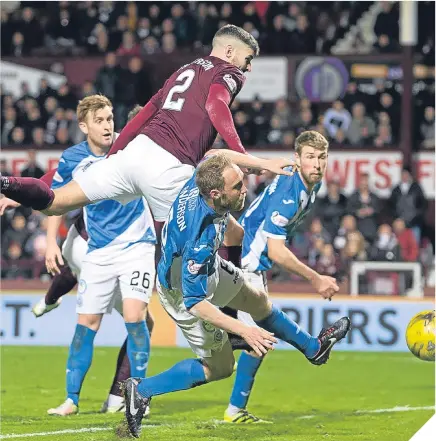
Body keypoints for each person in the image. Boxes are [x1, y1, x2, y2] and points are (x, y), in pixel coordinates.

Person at [122, 154, 351, 438]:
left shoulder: (202, 179)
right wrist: (243, 329)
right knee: (221, 368)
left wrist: (264, 165)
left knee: (257, 299)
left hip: (209, 270)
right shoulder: (199, 239)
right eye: (238, 186)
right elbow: (196, 303)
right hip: (184, 295)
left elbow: (215, 156)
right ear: (217, 194)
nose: (245, 189)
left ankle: (313, 349)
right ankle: (141, 390)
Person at [1, 25, 292, 224]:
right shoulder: (229, 72)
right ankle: (202, 311)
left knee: (55, 204)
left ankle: (5, 182)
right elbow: (215, 105)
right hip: (168, 167)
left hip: (134, 154)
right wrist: (246, 158)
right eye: (248, 59)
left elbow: (145, 114)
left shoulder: (184, 69)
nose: (249, 67)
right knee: (207, 241)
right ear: (229, 52)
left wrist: (115, 154)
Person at [221, 131, 347, 423]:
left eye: (321, 157)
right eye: (310, 157)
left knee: (257, 342)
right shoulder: (291, 192)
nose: (316, 164)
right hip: (246, 263)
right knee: (234, 350)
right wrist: (316, 279)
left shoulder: (308, 187)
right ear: (297, 159)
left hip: (249, 262)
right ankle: (313, 347)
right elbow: (276, 251)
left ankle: (234, 410)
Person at [44, 95, 156, 416]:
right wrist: (52, 241)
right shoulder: (71, 159)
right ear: (84, 126)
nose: (108, 126)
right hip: (99, 251)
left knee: (136, 319)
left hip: (137, 245)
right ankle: (71, 400)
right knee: (86, 325)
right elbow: (57, 200)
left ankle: (139, 396)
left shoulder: (129, 146)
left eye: (110, 118)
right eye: (100, 120)